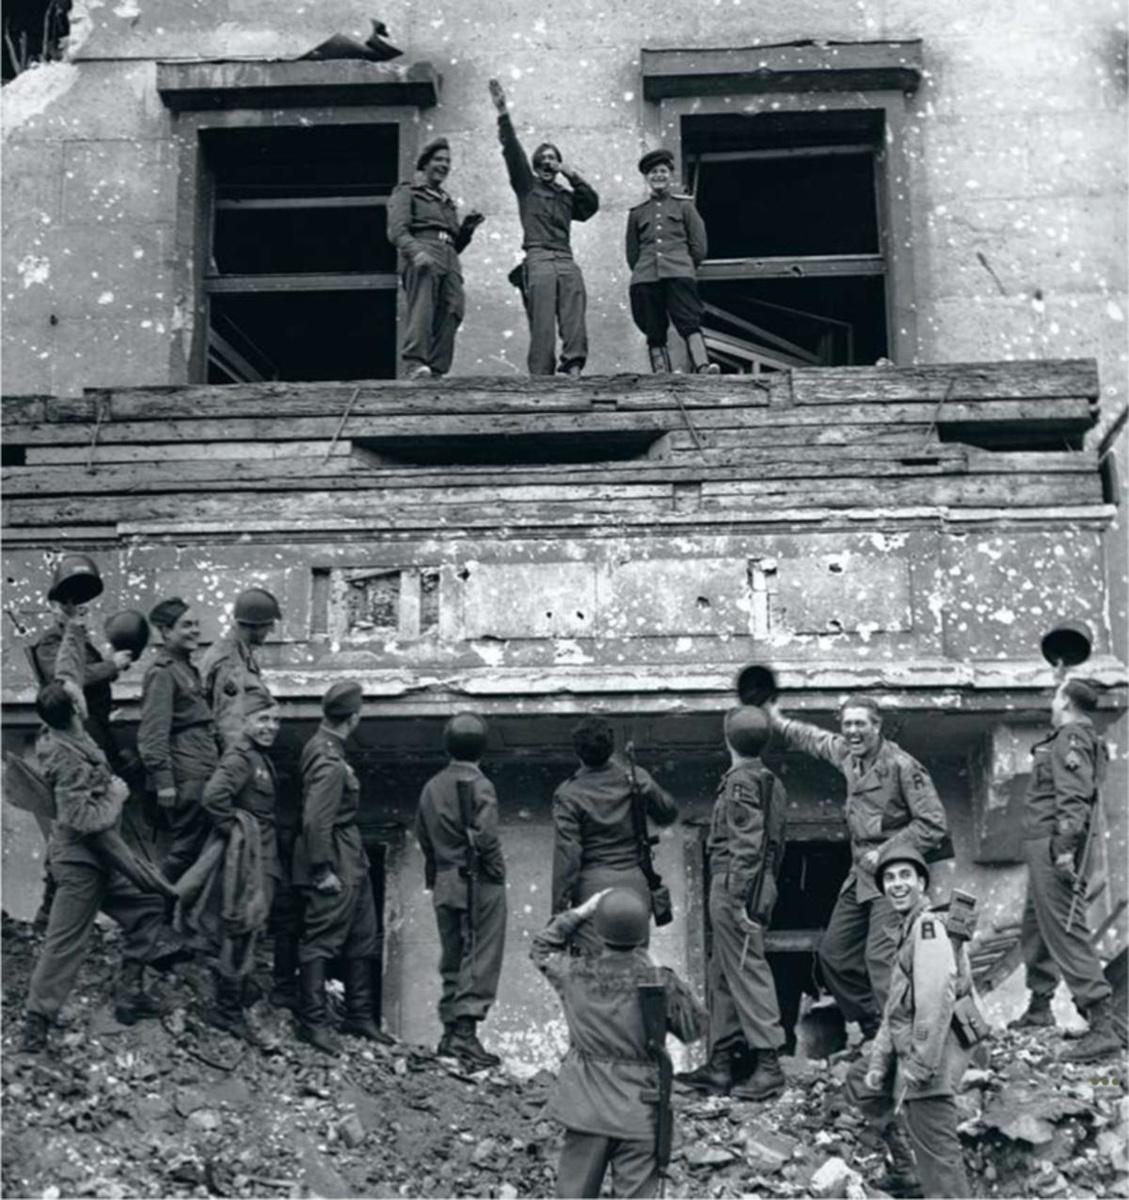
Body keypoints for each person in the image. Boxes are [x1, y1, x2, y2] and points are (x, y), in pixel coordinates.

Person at [767, 697, 948, 1036]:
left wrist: (886, 853)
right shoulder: (849, 756)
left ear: (876, 726)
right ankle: (872, 1024)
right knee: (834, 954)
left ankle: (902, 1037)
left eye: (860, 724)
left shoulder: (902, 767)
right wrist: (778, 721)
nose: (852, 731)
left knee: (881, 958)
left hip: (892, 876)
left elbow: (933, 823)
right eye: (847, 724)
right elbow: (816, 740)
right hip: (860, 873)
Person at [21, 682, 187, 1053]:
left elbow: (65, 671)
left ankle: (129, 991)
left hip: (103, 859)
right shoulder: (66, 756)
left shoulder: (65, 729)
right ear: (75, 709)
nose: (78, 689)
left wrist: (73, 623)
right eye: (75, 693)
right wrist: (116, 795)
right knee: (65, 944)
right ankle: (36, 1026)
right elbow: (81, 817)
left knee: (149, 905)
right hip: (80, 863)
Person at [531, 887, 706, 1199]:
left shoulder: (574, 973)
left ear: (598, 930)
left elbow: (541, 948)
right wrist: (660, 972)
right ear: (642, 933)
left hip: (585, 1109)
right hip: (640, 1111)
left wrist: (581, 911)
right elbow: (695, 1029)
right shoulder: (659, 981)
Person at [844, 844, 976, 1199]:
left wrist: (921, 1062)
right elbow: (895, 1010)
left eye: (905, 875)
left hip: (931, 1060)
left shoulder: (928, 928)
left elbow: (936, 999)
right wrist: (878, 1063)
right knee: (862, 1083)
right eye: (889, 877)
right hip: (916, 1056)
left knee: (941, 1166)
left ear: (921, 882)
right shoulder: (908, 929)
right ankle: (906, 1170)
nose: (896, 884)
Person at [679, 706, 788, 1100]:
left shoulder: (741, 780)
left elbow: (748, 842)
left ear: (728, 739)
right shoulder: (768, 780)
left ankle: (769, 1065)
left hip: (735, 884)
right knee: (724, 971)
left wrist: (741, 896)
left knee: (746, 968)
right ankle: (721, 1064)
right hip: (756, 881)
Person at [1008, 678, 1119, 1061]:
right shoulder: (1070, 735)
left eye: (1057, 695)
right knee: (1036, 924)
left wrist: (1064, 851)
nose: (1051, 701)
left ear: (1067, 702)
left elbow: (1074, 799)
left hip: (1055, 846)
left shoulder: (1071, 737)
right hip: (1046, 844)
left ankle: (1101, 1022)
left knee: (1065, 928)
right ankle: (1040, 1008)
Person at [293, 681, 389, 1053]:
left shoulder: (328, 748)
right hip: (334, 852)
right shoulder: (328, 759)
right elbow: (316, 819)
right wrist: (321, 869)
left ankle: (359, 1015)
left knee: (364, 932)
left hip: (350, 851)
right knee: (322, 935)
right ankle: (313, 1022)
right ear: (354, 717)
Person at [488, 78, 599, 377]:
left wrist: (572, 175)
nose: (549, 162)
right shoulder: (527, 186)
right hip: (538, 257)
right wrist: (503, 115)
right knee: (542, 321)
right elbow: (513, 152)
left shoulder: (566, 195)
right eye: (545, 158)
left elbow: (590, 206)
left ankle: (574, 365)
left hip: (564, 257)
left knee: (574, 312)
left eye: (554, 158)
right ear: (537, 164)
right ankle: (541, 375)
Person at [416, 712, 507, 1068]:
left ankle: (451, 1032)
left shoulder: (431, 787)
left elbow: (423, 835)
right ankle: (465, 1036)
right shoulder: (480, 784)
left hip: (444, 878)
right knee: (480, 954)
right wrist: (497, 873)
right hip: (477, 879)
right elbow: (486, 837)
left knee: (453, 956)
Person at [193, 694, 284, 1042]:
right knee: (243, 924)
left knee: (252, 923)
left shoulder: (258, 758)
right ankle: (227, 1009)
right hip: (248, 856)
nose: (270, 727)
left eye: (275, 721)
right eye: (262, 720)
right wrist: (238, 834)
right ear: (245, 721)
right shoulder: (241, 757)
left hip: (262, 853)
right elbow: (214, 798)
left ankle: (236, 992)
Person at [551, 716, 677, 957]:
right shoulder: (635, 777)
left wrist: (558, 913)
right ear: (611, 747)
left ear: (578, 752)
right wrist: (644, 787)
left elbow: (567, 857)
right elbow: (667, 813)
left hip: (592, 890)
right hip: (635, 884)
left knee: (596, 973)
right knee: (636, 966)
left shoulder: (569, 794)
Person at [138, 598, 222, 882]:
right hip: (186, 774)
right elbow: (153, 733)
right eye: (186, 625)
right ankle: (153, 907)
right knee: (186, 850)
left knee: (200, 849)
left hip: (202, 767)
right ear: (165, 631)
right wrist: (164, 783)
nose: (195, 631)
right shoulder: (163, 673)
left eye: (196, 624)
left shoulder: (187, 669)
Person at [386, 138, 485, 379]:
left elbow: (454, 243)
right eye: (439, 160)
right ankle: (415, 363)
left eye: (448, 161)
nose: (444, 165)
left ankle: (437, 369)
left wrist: (468, 229)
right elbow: (396, 230)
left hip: (449, 256)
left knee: (453, 308)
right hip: (423, 249)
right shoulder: (407, 191)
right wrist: (416, 251)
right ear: (425, 164)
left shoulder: (446, 200)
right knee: (423, 307)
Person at [625, 149, 719, 376]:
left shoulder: (684, 206)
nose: (658, 176)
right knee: (653, 327)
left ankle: (703, 367)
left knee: (689, 321)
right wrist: (643, 270)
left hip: (679, 273)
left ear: (670, 175)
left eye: (663, 171)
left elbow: (699, 246)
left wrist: (684, 265)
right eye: (653, 172)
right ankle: (661, 374)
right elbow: (632, 253)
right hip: (646, 276)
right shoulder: (638, 213)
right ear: (647, 178)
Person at [199, 586, 280, 752]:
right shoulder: (230, 662)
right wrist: (240, 764)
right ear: (254, 626)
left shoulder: (241, 654)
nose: (272, 630)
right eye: (268, 625)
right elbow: (229, 723)